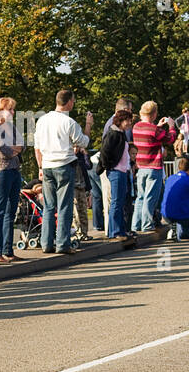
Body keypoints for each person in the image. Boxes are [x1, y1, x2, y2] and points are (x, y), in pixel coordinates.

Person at [34, 90, 91, 254]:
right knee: (65, 206)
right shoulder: (69, 122)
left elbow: (37, 147)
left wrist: (40, 167)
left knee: (49, 207)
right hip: (64, 164)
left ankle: (46, 243)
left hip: (47, 165)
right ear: (69, 102)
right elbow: (83, 142)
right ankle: (62, 244)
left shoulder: (42, 121)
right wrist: (88, 127)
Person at [131, 102, 177, 233]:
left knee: (140, 197)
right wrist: (171, 126)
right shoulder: (155, 130)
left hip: (141, 167)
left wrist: (157, 126)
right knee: (150, 197)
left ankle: (136, 224)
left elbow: (149, 134)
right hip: (153, 167)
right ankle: (147, 225)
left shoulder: (136, 127)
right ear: (154, 114)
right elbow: (170, 138)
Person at [0, 97, 24, 262]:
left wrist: (14, 149)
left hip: (15, 170)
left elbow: (21, 144)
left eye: (13, 109)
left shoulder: (11, 127)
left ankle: (7, 249)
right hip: (1, 171)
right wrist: (13, 150)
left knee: (11, 212)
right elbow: (1, 150)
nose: (12, 112)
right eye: (9, 109)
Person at [99, 109, 132, 239]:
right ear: (121, 121)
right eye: (127, 120)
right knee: (116, 202)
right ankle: (115, 232)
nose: (129, 123)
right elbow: (105, 151)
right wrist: (109, 166)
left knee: (120, 201)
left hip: (122, 170)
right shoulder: (113, 133)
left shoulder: (120, 133)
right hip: (116, 171)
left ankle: (120, 230)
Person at [160, 157, 189, 240]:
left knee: (186, 222)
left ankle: (175, 228)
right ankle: (178, 232)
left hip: (165, 213)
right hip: (182, 214)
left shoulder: (170, 178)